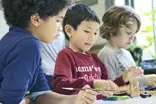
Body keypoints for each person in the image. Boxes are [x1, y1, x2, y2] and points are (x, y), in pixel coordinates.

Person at [0, 0, 97, 104]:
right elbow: (10, 100)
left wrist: (76, 99)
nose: (60, 29)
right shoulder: (28, 45)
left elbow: (40, 93)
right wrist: (27, 101)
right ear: (36, 19)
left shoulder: (15, 39)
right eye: (58, 20)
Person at [52, 4, 143, 97]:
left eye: (95, 33)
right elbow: (60, 85)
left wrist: (124, 78)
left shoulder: (95, 59)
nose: (92, 38)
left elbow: (109, 85)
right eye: (87, 31)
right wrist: (94, 83)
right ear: (69, 30)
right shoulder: (65, 55)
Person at [98, 6, 156, 90]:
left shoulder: (126, 53)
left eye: (134, 34)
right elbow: (109, 88)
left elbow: (135, 81)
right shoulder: (106, 53)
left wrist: (150, 82)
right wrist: (145, 81)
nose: (132, 38)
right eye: (128, 33)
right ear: (112, 30)